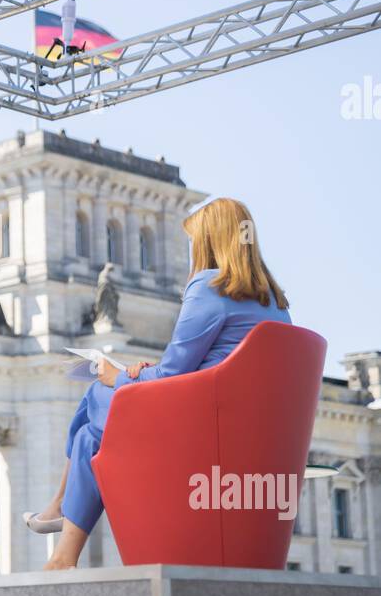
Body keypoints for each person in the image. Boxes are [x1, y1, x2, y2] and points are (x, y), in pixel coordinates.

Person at [26, 197, 292, 570]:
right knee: (90, 438)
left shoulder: (209, 287)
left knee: (97, 390)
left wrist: (119, 376)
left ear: (209, 241)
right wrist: (147, 373)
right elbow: (203, 369)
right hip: (243, 439)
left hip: (195, 436)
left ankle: (59, 512)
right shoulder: (276, 304)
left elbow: (172, 375)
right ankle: (62, 553)